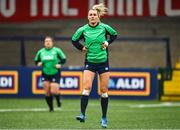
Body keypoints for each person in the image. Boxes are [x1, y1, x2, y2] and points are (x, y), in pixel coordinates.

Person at [71, 3, 117, 128]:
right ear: (88, 17)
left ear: (98, 17)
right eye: (90, 15)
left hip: (103, 62)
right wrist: (82, 48)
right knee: (87, 88)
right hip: (90, 63)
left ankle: (104, 117)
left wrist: (107, 42)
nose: (92, 17)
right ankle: (82, 114)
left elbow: (114, 35)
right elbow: (74, 40)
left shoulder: (104, 27)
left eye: (94, 15)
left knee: (104, 91)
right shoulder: (82, 29)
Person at [34, 36, 66, 112]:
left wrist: (60, 64)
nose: (48, 42)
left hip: (55, 72)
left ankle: (58, 100)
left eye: (49, 41)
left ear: (52, 42)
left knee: (54, 90)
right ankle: (51, 108)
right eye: (46, 41)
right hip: (45, 73)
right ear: (44, 43)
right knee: (47, 91)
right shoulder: (41, 52)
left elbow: (64, 59)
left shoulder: (56, 50)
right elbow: (36, 61)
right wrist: (38, 63)